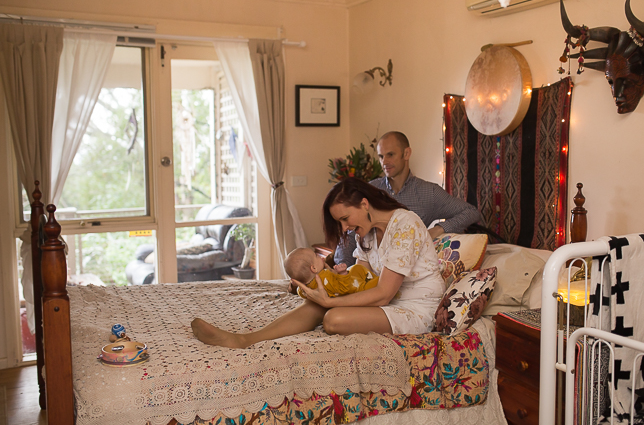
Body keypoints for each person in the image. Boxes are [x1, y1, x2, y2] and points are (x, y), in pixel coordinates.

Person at [191, 178, 445, 348]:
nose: (345, 228)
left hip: (415, 309)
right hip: (387, 300)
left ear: (365, 204)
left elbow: (383, 294)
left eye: (345, 219)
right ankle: (244, 340)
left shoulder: (405, 224)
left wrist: (332, 302)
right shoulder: (366, 232)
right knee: (317, 303)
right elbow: (363, 276)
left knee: (334, 318)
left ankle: (246, 339)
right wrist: (339, 281)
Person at [334, 131, 481, 266]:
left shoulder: (428, 192)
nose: (384, 162)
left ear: (406, 153)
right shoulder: (370, 191)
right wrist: (341, 266)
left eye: (390, 155)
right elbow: (350, 233)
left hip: (409, 271)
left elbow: (471, 212)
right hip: (369, 270)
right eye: (381, 156)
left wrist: (438, 229)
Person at [284, 247, 378, 299]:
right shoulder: (325, 278)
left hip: (354, 282)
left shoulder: (304, 290)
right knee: (379, 282)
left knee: (356, 268)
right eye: (316, 256)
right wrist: (342, 274)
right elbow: (343, 288)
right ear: (313, 268)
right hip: (358, 289)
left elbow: (331, 288)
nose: (322, 258)